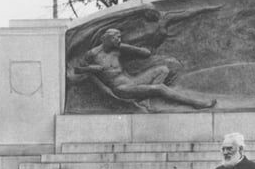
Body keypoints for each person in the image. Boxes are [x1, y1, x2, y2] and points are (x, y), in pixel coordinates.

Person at [72, 28, 216, 109]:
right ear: (106, 38)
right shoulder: (93, 54)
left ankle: (145, 100)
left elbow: (146, 53)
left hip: (132, 81)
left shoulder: (118, 49)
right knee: (159, 88)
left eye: (120, 37)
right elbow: (78, 69)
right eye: (116, 38)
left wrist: (126, 46)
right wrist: (93, 69)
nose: (119, 40)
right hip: (121, 88)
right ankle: (196, 103)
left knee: (163, 70)